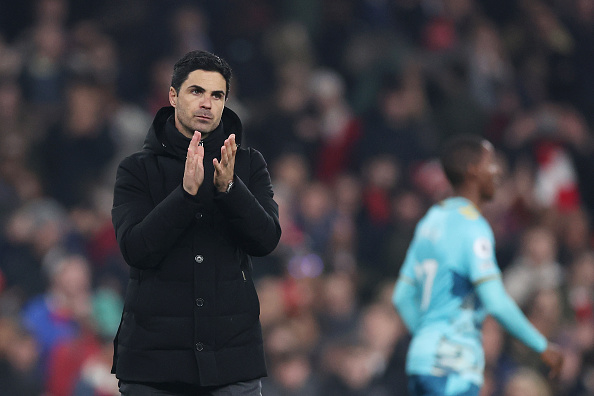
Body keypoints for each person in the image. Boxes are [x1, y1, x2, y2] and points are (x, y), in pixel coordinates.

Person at [111, 50, 282, 395]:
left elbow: (266, 241)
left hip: (232, 364)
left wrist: (230, 189)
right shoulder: (136, 169)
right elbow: (135, 249)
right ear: (173, 96)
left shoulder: (248, 164)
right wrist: (185, 196)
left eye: (217, 95)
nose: (207, 103)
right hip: (154, 369)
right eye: (196, 91)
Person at [392, 135, 563, 396]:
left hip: (421, 361)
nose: (498, 172)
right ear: (473, 171)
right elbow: (496, 301)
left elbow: (402, 296)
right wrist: (542, 346)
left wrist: (429, 338)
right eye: (491, 164)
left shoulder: (430, 221)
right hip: (453, 365)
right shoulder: (473, 227)